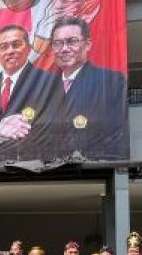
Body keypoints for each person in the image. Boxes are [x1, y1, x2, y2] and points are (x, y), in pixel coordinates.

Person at [48, 16, 127, 159]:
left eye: (72, 41)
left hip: (93, 168)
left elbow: (116, 131)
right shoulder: (44, 87)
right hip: (48, 171)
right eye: (58, 43)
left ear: (88, 44)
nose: (64, 49)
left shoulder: (110, 81)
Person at [0, 24, 65, 162]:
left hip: (35, 168)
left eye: (16, 45)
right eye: (3, 47)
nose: (10, 51)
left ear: (28, 49)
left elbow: (55, 129)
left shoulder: (49, 83)